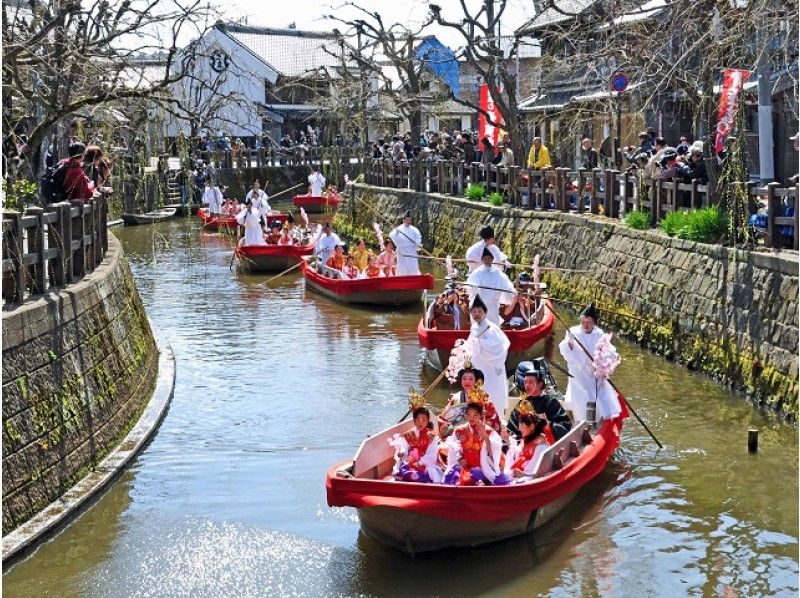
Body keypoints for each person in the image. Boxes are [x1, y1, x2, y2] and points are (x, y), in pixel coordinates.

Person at [558, 304, 622, 422]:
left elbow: (608, 351)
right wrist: (570, 342)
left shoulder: (599, 334)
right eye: (583, 322)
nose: (585, 325)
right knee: (584, 397)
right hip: (578, 371)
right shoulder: (573, 331)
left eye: (588, 322)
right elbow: (566, 350)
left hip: (594, 372)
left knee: (595, 396)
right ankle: (582, 421)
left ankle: (594, 420)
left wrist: (602, 362)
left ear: (594, 323)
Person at [467, 294, 510, 415]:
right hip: (478, 367)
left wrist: (480, 343)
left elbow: (498, 348)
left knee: (493, 393)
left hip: (491, 369)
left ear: (485, 313)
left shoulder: (492, 329)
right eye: (474, 311)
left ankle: (496, 418)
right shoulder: (474, 327)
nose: (476, 314)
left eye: (479, 311)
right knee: (479, 395)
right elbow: (471, 345)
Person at [444, 401, 504, 486]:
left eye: (475, 415)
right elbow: (453, 449)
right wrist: (460, 459)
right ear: (465, 415)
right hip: (466, 465)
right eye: (468, 414)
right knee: (459, 478)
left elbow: (494, 453)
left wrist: (485, 436)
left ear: (480, 416)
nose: (471, 418)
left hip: (483, 466)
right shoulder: (459, 430)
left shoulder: (488, 430)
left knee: (483, 477)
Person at [507, 364, 572, 441]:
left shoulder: (550, 402)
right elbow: (512, 428)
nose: (527, 385)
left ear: (540, 384)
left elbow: (565, 429)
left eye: (530, 382)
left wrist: (544, 423)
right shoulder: (523, 403)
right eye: (525, 382)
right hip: (522, 445)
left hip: (545, 444)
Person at [392, 404, 443, 483]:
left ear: (427, 421)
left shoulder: (431, 437)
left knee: (430, 475)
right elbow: (404, 447)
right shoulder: (409, 434)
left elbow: (432, 454)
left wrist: (420, 463)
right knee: (402, 470)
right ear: (414, 421)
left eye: (423, 420)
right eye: (418, 420)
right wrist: (402, 452)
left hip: (425, 463)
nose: (420, 423)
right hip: (411, 461)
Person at [465, 248, 516, 325]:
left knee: (493, 326)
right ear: (482, 260)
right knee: (479, 326)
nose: (487, 260)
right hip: (479, 305)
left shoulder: (497, 272)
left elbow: (506, 283)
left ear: (492, 259)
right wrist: (473, 286)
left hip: (493, 305)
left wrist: (511, 290)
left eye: (489, 258)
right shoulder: (477, 272)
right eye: (485, 259)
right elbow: (470, 285)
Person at [438, 365, 484, 437]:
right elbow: (444, 415)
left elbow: (487, 417)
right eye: (464, 378)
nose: (467, 381)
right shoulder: (456, 397)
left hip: (476, 431)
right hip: (457, 430)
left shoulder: (482, 398)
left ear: (476, 381)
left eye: (471, 379)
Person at [505, 407, 550, 479]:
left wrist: (523, 474)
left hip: (530, 479)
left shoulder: (541, 445)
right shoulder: (527, 439)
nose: (519, 428)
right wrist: (508, 441)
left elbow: (534, 472)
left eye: (522, 425)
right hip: (519, 474)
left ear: (532, 426)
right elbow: (517, 453)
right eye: (519, 424)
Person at [389, 211, 422, 275]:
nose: (409, 221)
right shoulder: (399, 229)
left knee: (412, 268)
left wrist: (417, 244)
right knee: (402, 269)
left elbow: (418, 239)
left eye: (410, 220)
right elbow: (392, 235)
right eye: (407, 220)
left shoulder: (414, 230)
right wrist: (396, 232)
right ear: (403, 220)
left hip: (412, 252)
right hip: (402, 252)